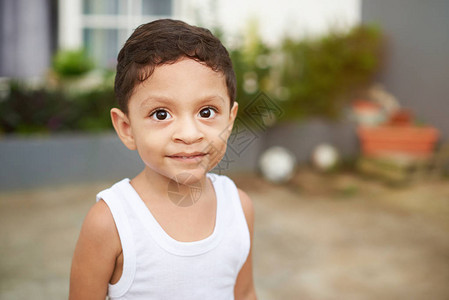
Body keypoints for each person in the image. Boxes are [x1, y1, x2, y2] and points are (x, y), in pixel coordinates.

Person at [69, 19, 257, 300]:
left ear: (230, 120)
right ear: (126, 128)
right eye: (161, 114)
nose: (189, 134)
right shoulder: (110, 223)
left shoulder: (239, 207)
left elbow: (244, 294)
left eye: (207, 112)